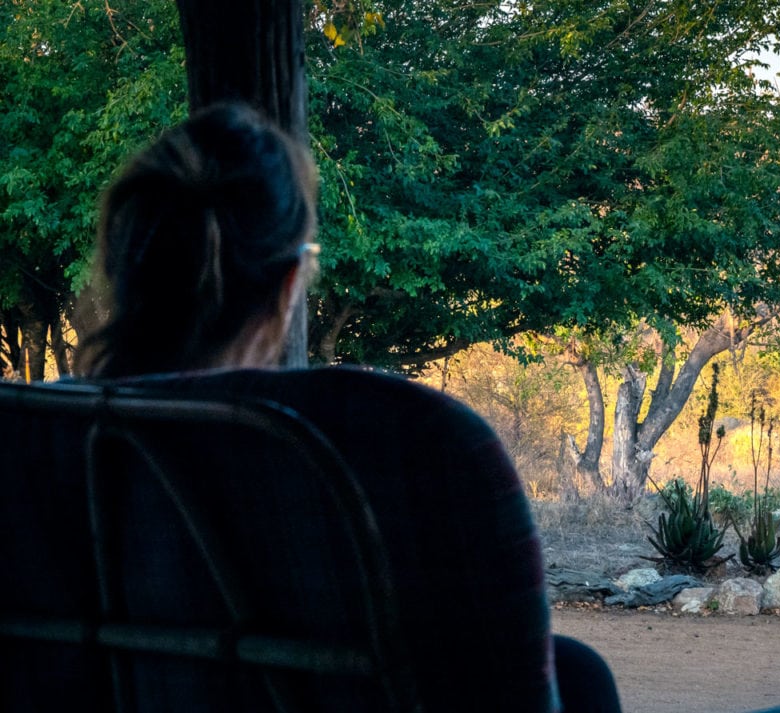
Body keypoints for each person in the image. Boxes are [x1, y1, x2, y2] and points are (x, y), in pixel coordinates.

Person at [65, 102, 620, 712]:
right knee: (579, 675)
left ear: (118, 264)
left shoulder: (35, 440)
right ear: (288, 285)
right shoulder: (406, 446)